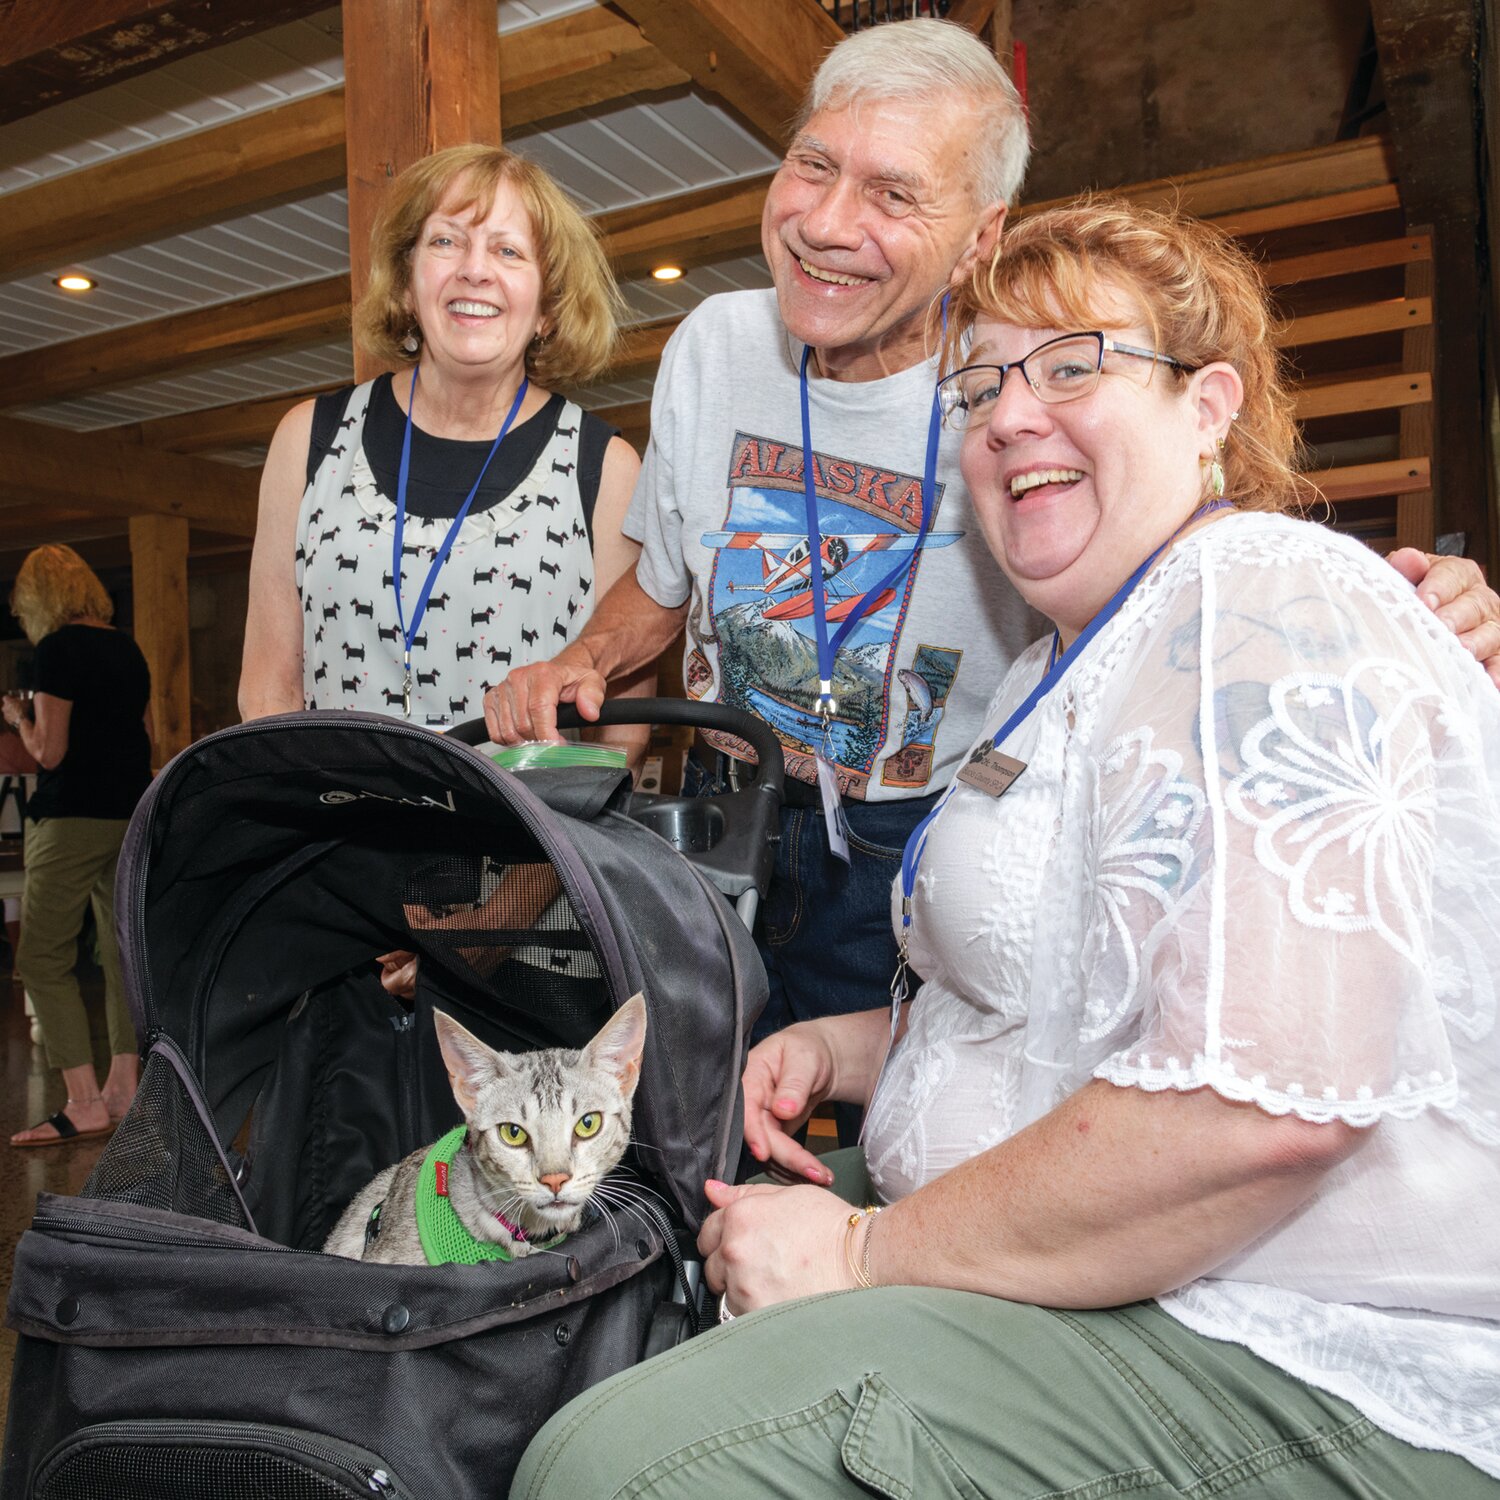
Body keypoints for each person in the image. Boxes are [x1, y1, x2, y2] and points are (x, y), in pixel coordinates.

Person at [507, 199, 1500, 1498]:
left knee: (612, 1465)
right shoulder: (1054, 662)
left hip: (1277, 1335)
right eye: (980, 388)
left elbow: (1258, 1110)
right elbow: (1051, 996)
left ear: (1208, 407)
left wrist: (862, 1253)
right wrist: (847, 1049)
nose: (1012, 417)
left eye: (1075, 365)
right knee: (622, 1275)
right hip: (1088, 1273)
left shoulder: (1264, 599)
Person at [485, 20, 1500, 1101]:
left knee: (928, 1109)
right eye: (814, 165)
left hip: (926, 840)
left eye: (893, 194)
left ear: (981, 235)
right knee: (688, 1119)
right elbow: (666, 581)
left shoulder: (1018, 390)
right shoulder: (712, 347)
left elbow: (1184, 544)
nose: (826, 225)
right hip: (729, 810)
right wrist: (585, 658)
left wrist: (1407, 609)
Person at [239, 143, 653, 745]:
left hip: (525, 834)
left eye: (508, 251)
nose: (474, 269)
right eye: (445, 241)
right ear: (407, 284)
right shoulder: (308, 439)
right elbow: (267, 693)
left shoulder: (605, 468)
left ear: (548, 308)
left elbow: (624, 731)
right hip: (341, 826)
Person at [4, 545, 152, 1147]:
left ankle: (83, 1101)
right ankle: (123, 1090)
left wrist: (17, 716)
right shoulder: (127, 649)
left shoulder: (56, 651)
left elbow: (49, 752)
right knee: (118, 955)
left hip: (70, 820)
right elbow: (144, 737)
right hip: (129, 813)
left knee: (40, 955)